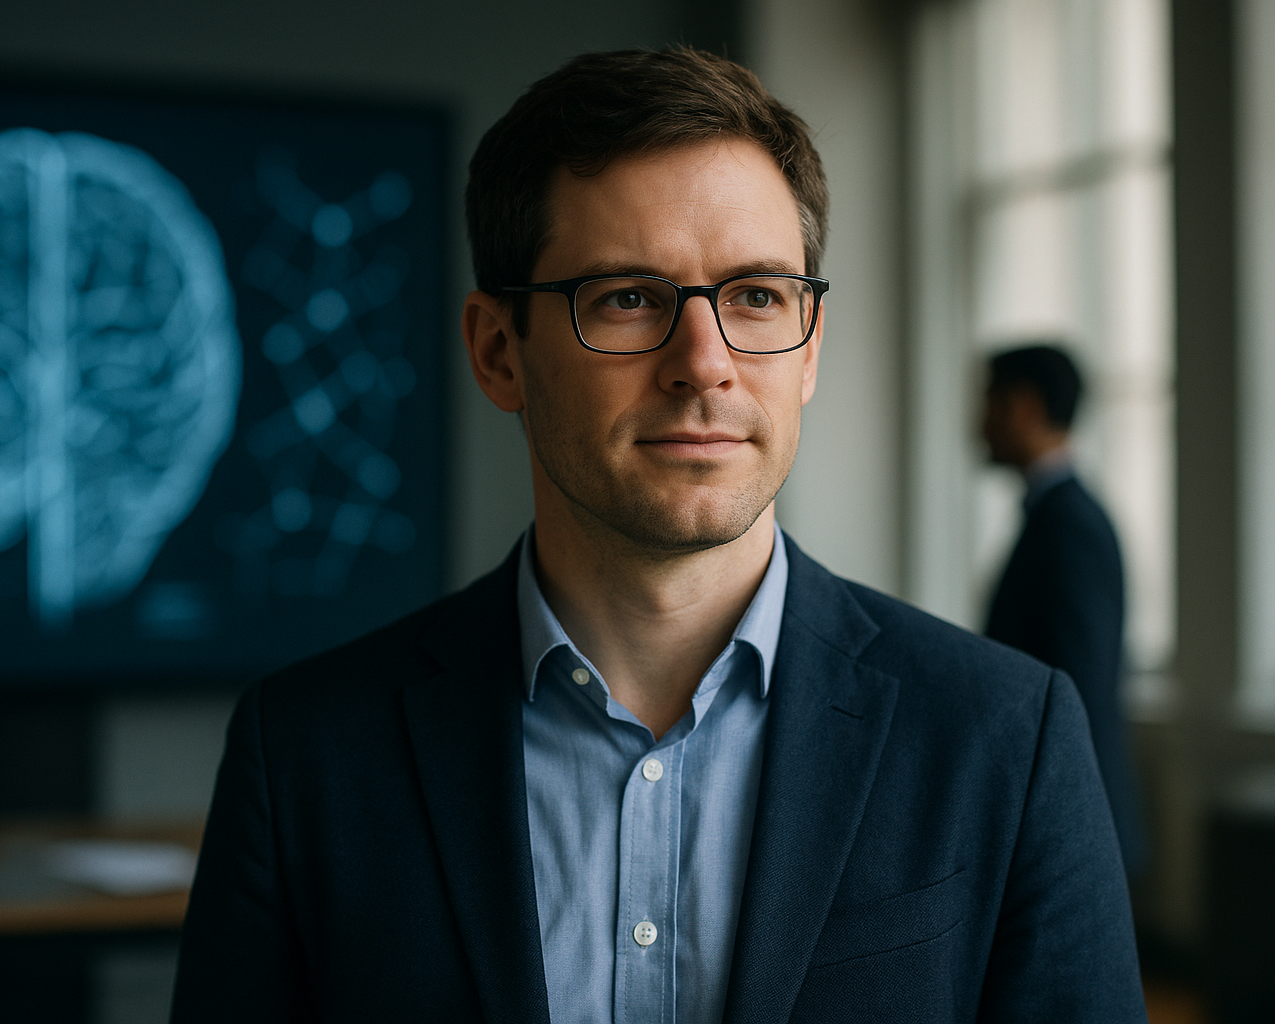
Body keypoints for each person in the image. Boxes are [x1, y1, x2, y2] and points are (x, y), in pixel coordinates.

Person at [173, 48, 1145, 1023]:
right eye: (629, 298)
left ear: (808, 350)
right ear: (498, 352)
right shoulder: (305, 754)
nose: (705, 363)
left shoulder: (1006, 740)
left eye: (758, 295)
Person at [982, 344, 1147, 875]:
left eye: (989, 400)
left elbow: (1079, 687)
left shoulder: (1070, 526)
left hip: (1069, 821)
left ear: (1025, 406)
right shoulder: (1058, 517)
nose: (977, 421)